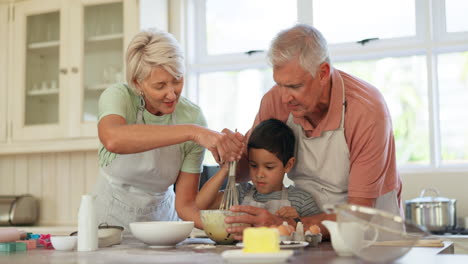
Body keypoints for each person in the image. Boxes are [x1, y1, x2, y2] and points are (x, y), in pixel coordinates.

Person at [223, 24, 402, 238]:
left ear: (323, 73)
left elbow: (357, 217)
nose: (284, 97)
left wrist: (285, 224)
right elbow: (244, 172)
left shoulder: (366, 111)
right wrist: (230, 153)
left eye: (295, 86)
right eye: (279, 84)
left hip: (370, 239)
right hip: (306, 233)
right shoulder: (275, 101)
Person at [92, 28, 243, 233]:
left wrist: (223, 228)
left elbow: (186, 205)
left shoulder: (192, 116)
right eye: (160, 85)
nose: (171, 94)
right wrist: (193, 132)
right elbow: (112, 139)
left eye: (177, 80)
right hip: (108, 222)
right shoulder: (119, 97)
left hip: (163, 224)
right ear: (138, 83)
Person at [196, 118, 321, 219]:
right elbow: (199, 205)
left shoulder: (301, 201)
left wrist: (298, 222)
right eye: (253, 165)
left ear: (288, 165)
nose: (260, 174)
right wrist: (226, 169)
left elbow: (317, 232)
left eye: (269, 167)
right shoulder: (241, 194)